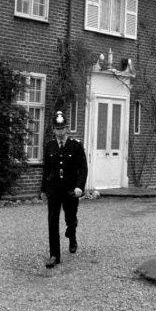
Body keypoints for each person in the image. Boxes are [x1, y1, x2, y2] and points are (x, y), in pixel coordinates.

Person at [41, 110, 88, 268]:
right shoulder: (50, 146)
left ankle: (72, 235)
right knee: (52, 221)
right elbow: (46, 169)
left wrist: (79, 187)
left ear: (67, 129)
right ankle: (55, 255)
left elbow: (83, 169)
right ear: (53, 130)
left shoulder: (75, 146)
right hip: (54, 189)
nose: (59, 132)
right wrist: (43, 190)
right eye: (57, 129)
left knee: (70, 218)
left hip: (70, 189)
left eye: (62, 129)